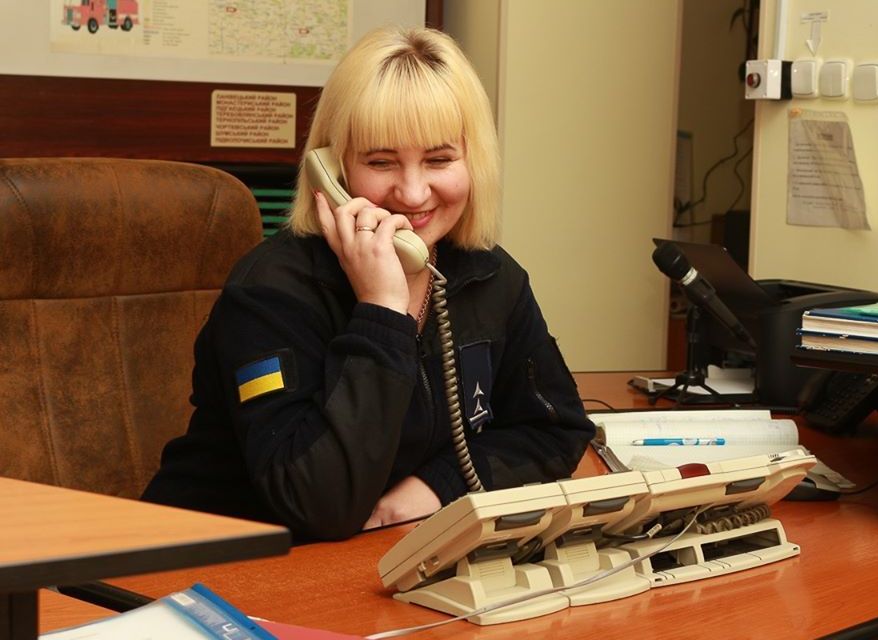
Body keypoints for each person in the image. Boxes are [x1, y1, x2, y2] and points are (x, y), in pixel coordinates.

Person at [141, 25, 595, 541]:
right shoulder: (268, 293)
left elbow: (556, 431)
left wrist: (437, 487)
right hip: (209, 565)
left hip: (380, 557)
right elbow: (316, 505)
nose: (413, 192)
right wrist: (381, 310)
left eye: (439, 159)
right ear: (331, 169)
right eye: (381, 162)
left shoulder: (489, 276)